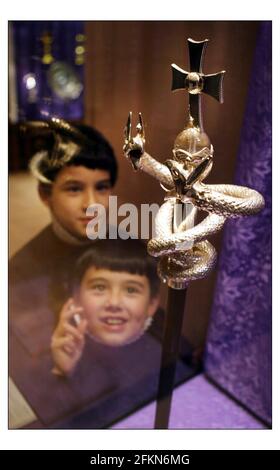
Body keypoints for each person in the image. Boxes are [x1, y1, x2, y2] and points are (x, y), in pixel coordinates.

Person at [51, 239, 160, 376]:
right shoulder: (54, 351)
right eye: (100, 287)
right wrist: (62, 371)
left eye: (131, 290)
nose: (114, 303)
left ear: (152, 304)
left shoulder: (168, 359)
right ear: (76, 297)